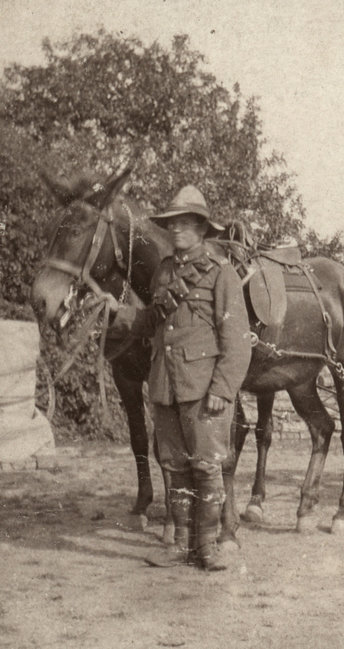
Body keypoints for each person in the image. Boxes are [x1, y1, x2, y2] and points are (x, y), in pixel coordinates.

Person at [107, 185, 252, 570]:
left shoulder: (220, 273)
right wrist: (116, 311)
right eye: (172, 224)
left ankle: (206, 548)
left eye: (186, 224)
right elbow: (151, 322)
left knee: (206, 466)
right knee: (173, 466)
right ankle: (179, 546)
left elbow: (237, 342)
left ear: (202, 229)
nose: (177, 231)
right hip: (165, 385)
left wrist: (223, 389)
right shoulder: (165, 271)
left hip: (203, 388)